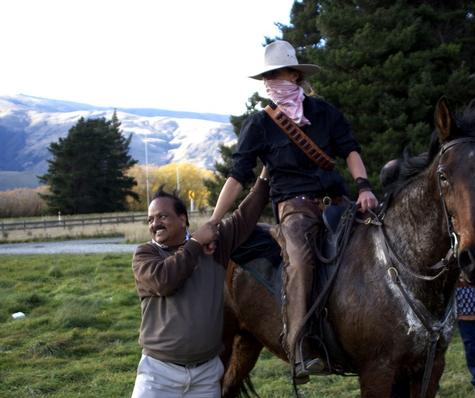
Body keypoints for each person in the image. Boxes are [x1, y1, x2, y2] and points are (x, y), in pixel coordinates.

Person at [209, 40, 378, 382]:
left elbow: (351, 151)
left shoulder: (325, 113)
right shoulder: (260, 124)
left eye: (279, 73)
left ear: (296, 75)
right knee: (300, 262)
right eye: (268, 76)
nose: (273, 81)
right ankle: (301, 346)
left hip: (338, 203)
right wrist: (214, 221)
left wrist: (364, 187)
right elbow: (238, 176)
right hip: (293, 209)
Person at [131, 169, 269, 398]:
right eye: (150, 219)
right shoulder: (146, 255)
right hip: (159, 373)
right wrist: (195, 243)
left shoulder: (214, 247)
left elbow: (244, 217)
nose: (155, 223)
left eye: (162, 216)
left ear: (183, 218)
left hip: (206, 374)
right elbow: (164, 282)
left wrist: (265, 177)